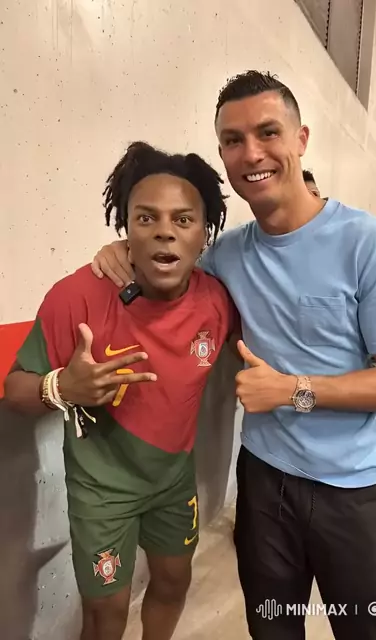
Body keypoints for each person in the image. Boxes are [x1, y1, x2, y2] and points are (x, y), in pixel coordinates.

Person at [91, 71, 376, 640]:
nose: (251, 154)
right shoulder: (226, 256)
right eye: (232, 140)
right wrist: (120, 247)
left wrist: (294, 390)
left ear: (301, 139)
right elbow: (167, 262)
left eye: (268, 132)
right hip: (266, 483)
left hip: (357, 490)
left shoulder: (368, 243)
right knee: (271, 629)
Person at [4, 142, 239, 640]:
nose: (164, 232)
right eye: (146, 217)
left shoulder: (217, 301)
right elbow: (16, 389)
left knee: (173, 581)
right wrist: (61, 386)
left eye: (183, 220)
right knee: (106, 613)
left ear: (204, 233)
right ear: (126, 228)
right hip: (101, 492)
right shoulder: (77, 296)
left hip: (173, 481)